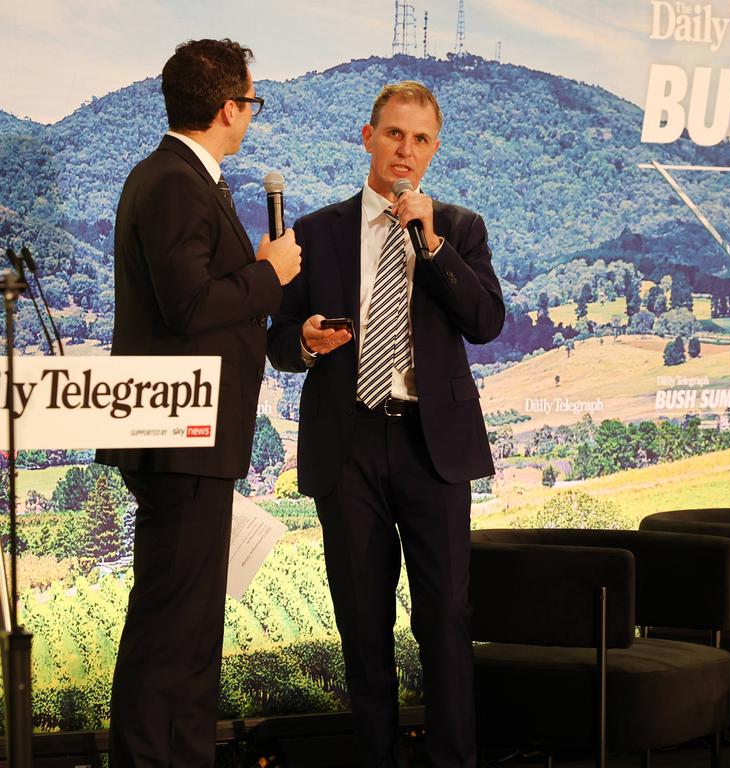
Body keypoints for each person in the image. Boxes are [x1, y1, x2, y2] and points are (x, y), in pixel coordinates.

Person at [267, 80, 504, 767]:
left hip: (434, 446)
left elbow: (485, 322)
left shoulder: (458, 229)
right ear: (367, 138)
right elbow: (276, 339)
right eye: (394, 134)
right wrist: (305, 341)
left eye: (420, 139)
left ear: (433, 151)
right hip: (349, 447)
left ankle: (452, 759)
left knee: (446, 621)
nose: (406, 150)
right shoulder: (314, 232)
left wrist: (430, 245)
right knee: (363, 625)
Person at [94, 38, 301, 767]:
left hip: (192, 438)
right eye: (251, 101)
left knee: (186, 636)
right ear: (226, 107)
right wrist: (269, 274)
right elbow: (189, 304)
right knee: (169, 636)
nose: (250, 116)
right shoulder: (178, 181)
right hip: (181, 437)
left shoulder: (179, 177)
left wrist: (276, 316)